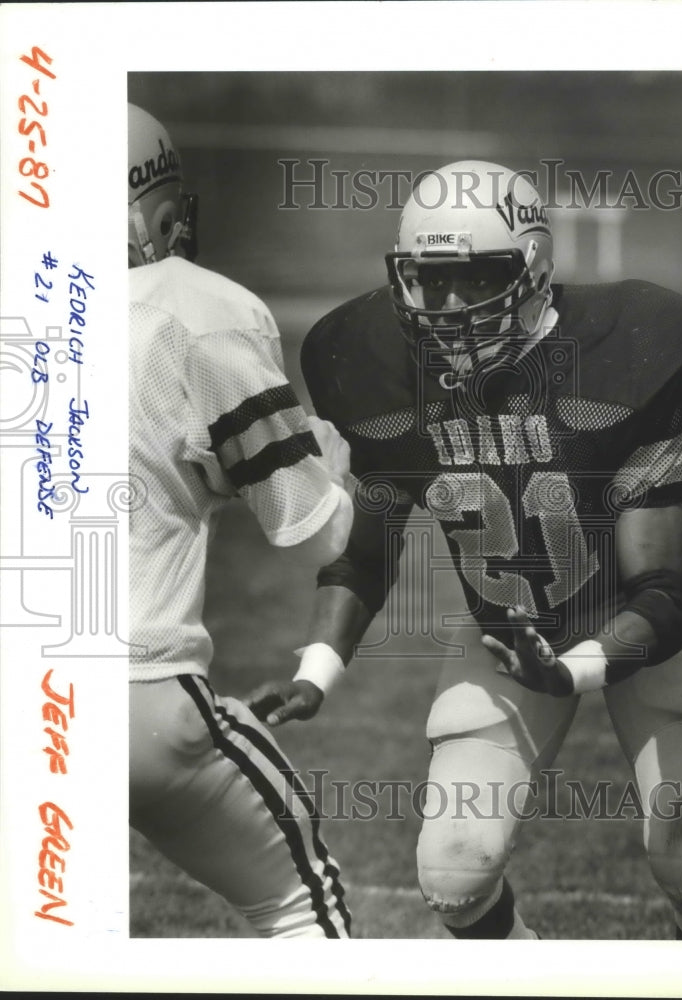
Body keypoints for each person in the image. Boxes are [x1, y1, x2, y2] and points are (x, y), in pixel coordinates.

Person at [259, 160, 682, 941]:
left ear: (534, 268)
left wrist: (570, 671)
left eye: (478, 276)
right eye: (429, 279)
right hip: (506, 628)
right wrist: (315, 670)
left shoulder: (631, 350)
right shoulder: (372, 368)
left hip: (640, 630)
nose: (448, 304)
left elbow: (660, 591)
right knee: (453, 871)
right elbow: (370, 548)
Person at [127, 103, 353, 937]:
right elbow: (315, 528)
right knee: (302, 903)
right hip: (137, 695)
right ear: (155, 215)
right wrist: (329, 463)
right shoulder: (197, 306)